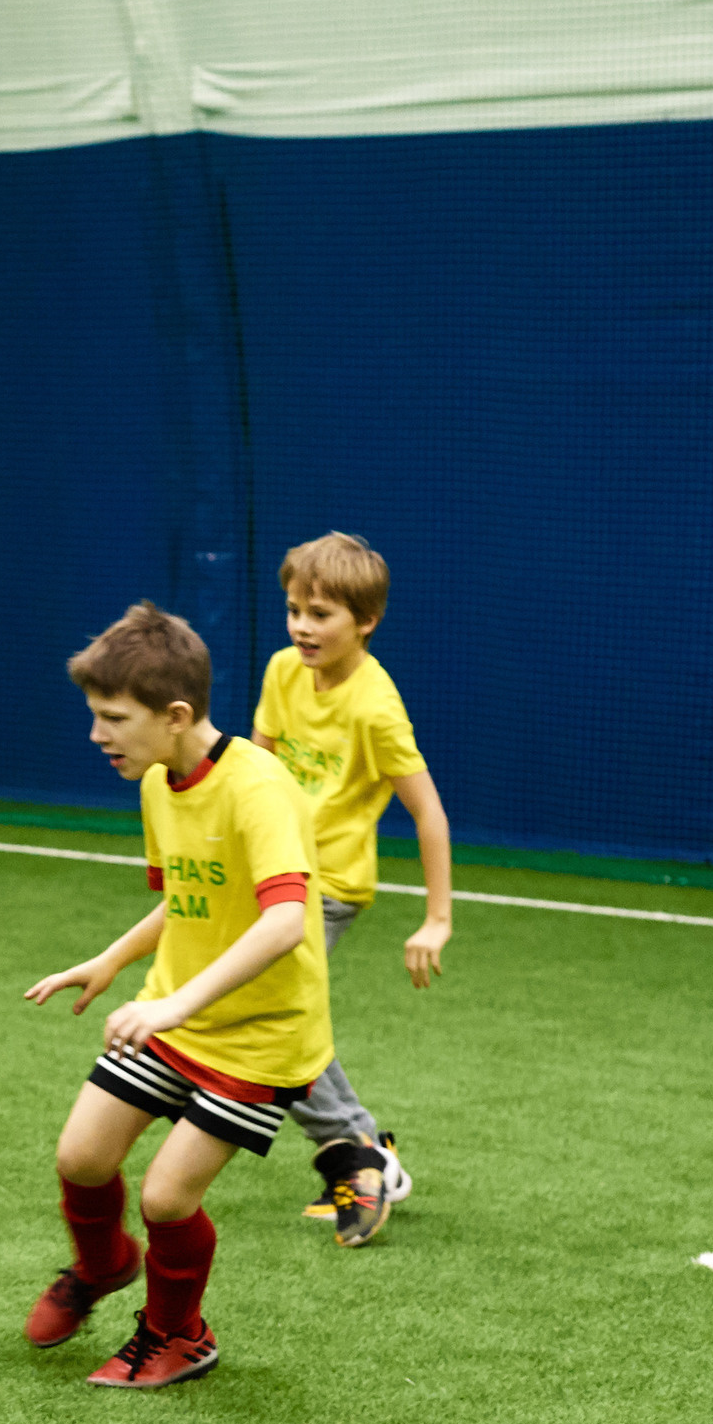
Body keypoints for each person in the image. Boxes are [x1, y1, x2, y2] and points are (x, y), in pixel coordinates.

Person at [23, 602, 333, 1388]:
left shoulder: (257, 788)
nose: (98, 735)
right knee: (82, 1156)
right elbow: (187, 897)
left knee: (166, 1196)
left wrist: (172, 1004)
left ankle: (178, 1335)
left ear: (176, 715)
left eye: (113, 718)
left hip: (260, 1036)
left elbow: (286, 921)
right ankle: (103, 1266)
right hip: (178, 1014)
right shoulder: (160, 779)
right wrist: (110, 960)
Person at [251, 532, 450, 1245]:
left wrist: (436, 918)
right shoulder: (281, 671)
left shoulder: (376, 707)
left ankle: (357, 1152)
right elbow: (258, 773)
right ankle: (368, 1151)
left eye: (322, 613)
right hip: (274, 872)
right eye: (295, 609)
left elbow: (427, 811)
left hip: (330, 884)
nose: (303, 625)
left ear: (365, 621)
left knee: (273, 1014)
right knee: (277, 1011)